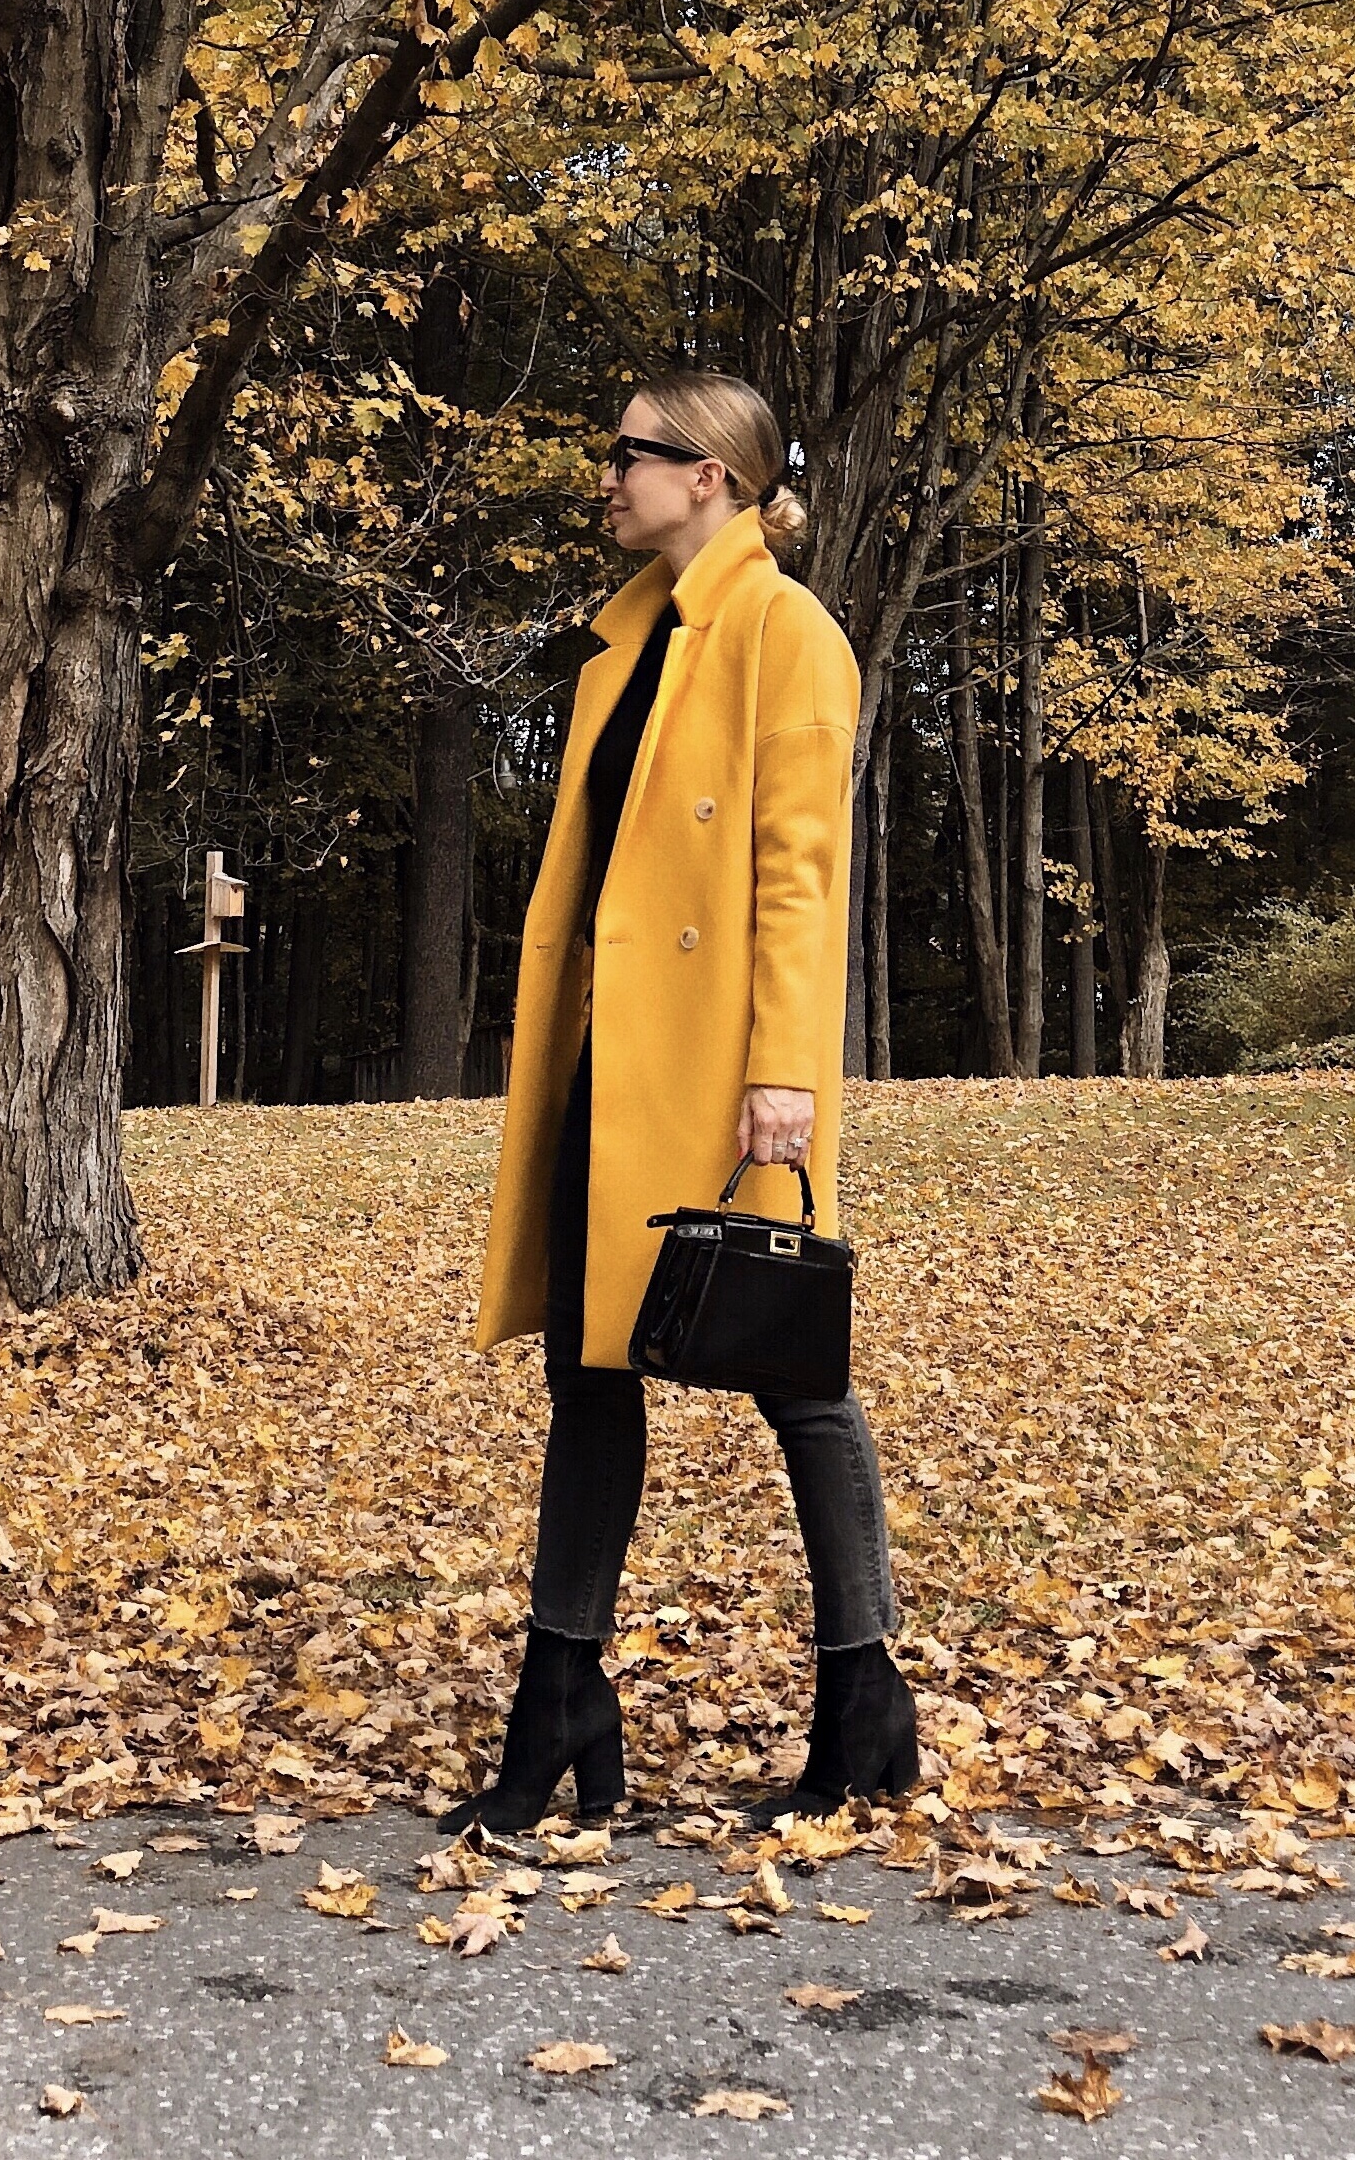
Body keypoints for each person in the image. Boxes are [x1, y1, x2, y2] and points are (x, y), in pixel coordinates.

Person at [459, 370, 919, 1830]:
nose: (608, 476)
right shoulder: (621, 646)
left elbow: (801, 872)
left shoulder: (787, 634)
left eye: (632, 454)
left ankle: (865, 1703)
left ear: (709, 477)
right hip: (614, 1057)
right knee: (586, 1378)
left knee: (795, 1377)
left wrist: (785, 1067)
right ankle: (559, 1702)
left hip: (729, 1068)